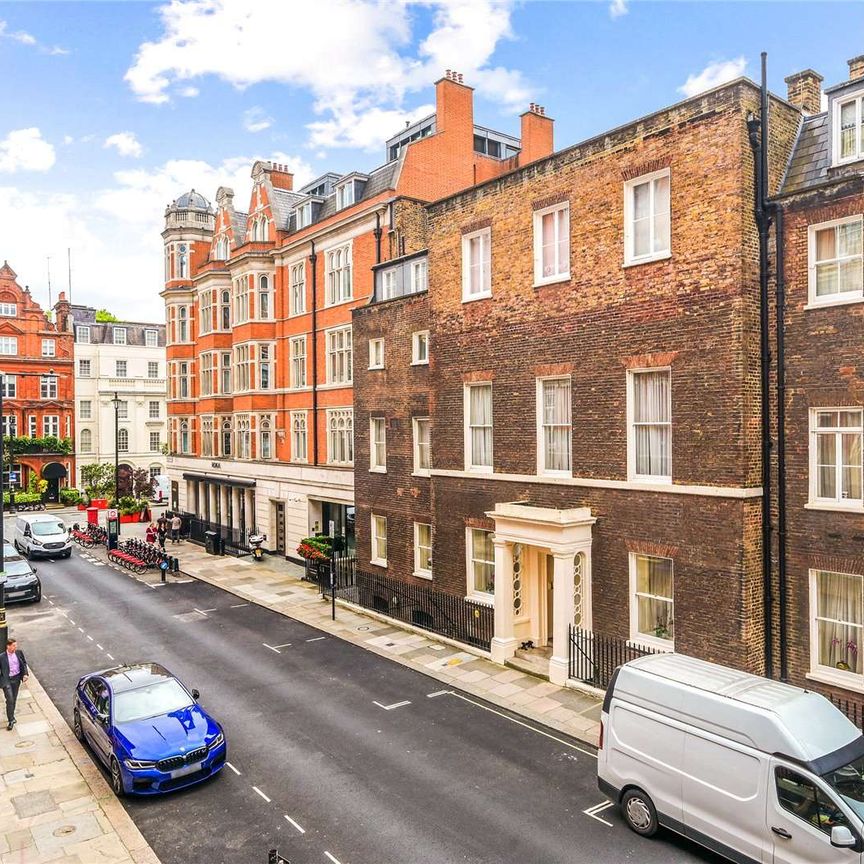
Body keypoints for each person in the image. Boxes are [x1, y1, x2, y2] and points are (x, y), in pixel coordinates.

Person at [0, 638, 28, 731]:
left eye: (16, 645)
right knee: (10, 699)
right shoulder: (2, 657)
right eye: (13, 645)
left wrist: (25, 674)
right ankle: (11, 720)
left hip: (16, 679)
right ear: (8, 646)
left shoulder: (19, 653)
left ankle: (11, 715)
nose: (15, 647)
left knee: (14, 699)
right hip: (6, 680)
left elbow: (24, 663)